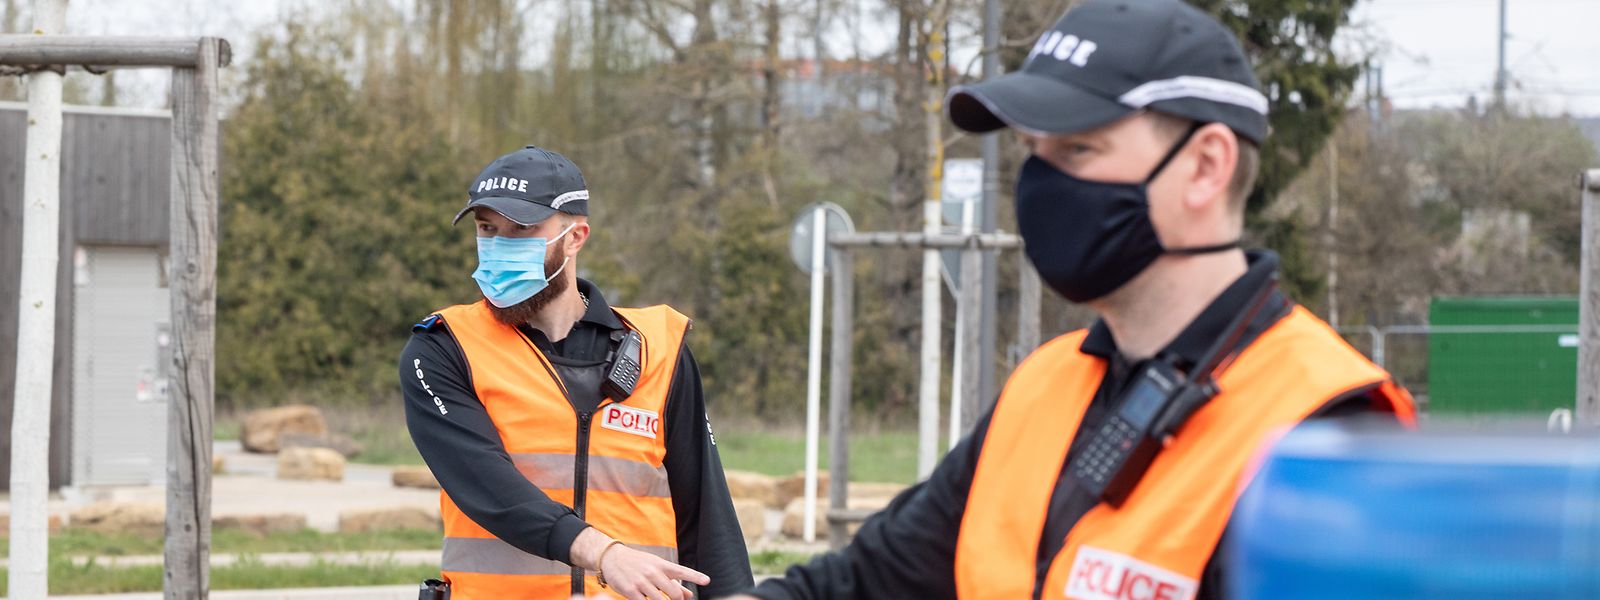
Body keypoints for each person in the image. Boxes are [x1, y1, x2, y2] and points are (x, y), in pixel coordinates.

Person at [735, 1, 1415, 599]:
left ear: (1207, 166)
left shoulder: (1327, 428)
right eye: (1035, 150)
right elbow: (861, 583)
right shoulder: (1047, 386)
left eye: (1079, 148)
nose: (1041, 184)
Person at [399, 146, 754, 600]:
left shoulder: (658, 349)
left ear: (575, 236)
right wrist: (606, 554)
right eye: (487, 228)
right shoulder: (444, 347)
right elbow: (488, 486)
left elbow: (706, 517)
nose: (499, 245)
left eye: (522, 229)